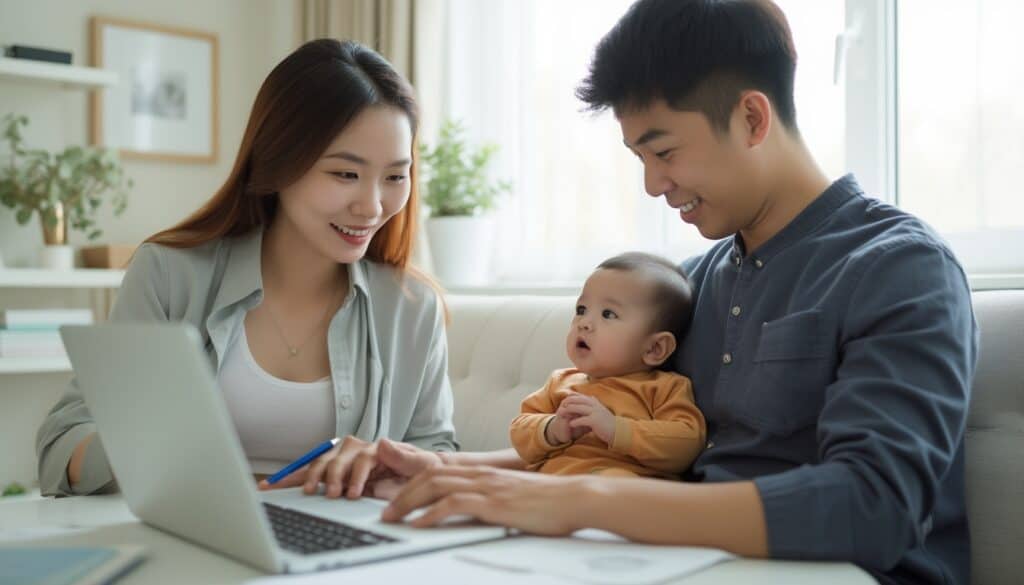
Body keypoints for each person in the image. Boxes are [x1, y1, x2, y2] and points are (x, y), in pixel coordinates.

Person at [360, 2, 977, 584]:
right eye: (639, 158)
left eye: (664, 152)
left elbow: (873, 507)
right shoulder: (693, 282)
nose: (654, 184)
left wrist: (582, 501)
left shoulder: (900, 267)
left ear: (752, 118)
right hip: (686, 564)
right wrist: (447, 471)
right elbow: (607, 444)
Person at [35, 39, 458, 501]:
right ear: (280, 161)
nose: (372, 206)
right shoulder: (170, 276)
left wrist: (384, 464)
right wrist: (151, 449)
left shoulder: (412, 308)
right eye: (345, 174)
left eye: (396, 176)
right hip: (190, 534)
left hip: (341, 552)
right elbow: (62, 446)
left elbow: (437, 453)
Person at [511, 252, 705, 478]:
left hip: (616, 489)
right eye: (581, 310)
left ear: (655, 349)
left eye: (608, 314)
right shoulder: (560, 381)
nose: (584, 323)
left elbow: (687, 443)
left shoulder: (665, 387)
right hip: (554, 487)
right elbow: (519, 429)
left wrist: (616, 429)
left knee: (616, 481)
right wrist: (552, 428)